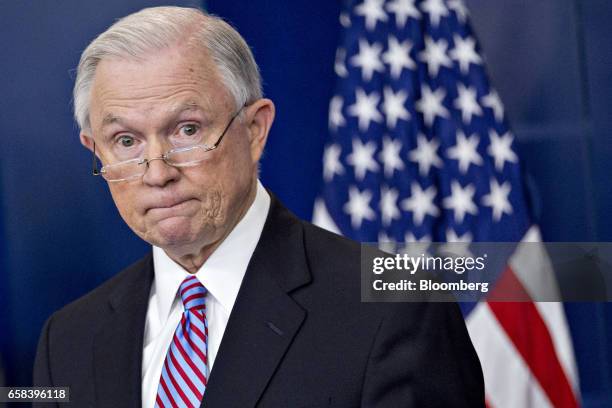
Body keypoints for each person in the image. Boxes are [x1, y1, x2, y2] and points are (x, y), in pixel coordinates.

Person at [33, 6, 484, 407]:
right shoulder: (69, 339)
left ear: (254, 130)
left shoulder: (398, 306)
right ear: (96, 150)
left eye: (187, 130)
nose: (157, 172)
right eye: (126, 141)